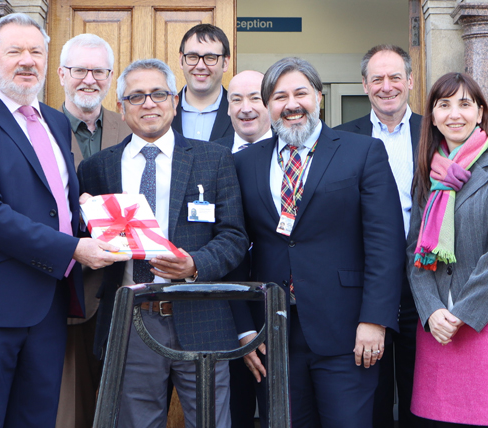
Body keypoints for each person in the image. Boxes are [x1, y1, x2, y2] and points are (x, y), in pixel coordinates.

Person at [0, 13, 123, 428]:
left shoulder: (55, 121)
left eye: (36, 51)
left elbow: (55, 204)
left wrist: (88, 216)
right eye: (14, 51)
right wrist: (73, 248)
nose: (27, 61)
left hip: (49, 306)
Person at [232, 57, 406, 428]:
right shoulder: (244, 163)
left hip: (347, 331)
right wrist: (245, 327)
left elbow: (385, 244)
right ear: (268, 106)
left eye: (301, 93)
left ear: (319, 97)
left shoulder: (363, 152)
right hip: (272, 333)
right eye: (279, 96)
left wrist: (374, 320)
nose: (291, 104)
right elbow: (235, 247)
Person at [77, 58, 248, 428]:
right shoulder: (97, 168)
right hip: (131, 319)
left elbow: (235, 236)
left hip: (201, 315)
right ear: (121, 108)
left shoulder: (213, 159)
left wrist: (195, 265)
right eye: (136, 97)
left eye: (158, 94)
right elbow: (86, 241)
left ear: (174, 101)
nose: (149, 103)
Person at [406, 72, 488, 427]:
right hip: (437, 329)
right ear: (432, 116)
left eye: (464, 104)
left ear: (480, 112)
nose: (454, 113)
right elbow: (415, 253)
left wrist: (462, 313)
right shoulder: (427, 174)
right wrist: (431, 311)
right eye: (443, 105)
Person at [334, 44, 420, 428]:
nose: (387, 86)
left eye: (395, 77)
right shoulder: (338, 140)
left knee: (424, 397)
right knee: (373, 400)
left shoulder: (436, 132)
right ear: (364, 85)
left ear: (410, 82)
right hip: (364, 289)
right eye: (378, 79)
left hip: (426, 284)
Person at [55, 32, 132, 428]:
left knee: (128, 403)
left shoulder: (130, 127)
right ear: (62, 74)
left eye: (99, 71)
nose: (89, 79)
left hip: (125, 288)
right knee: (72, 409)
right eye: (80, 70)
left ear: (110, 76)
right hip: (67, 285)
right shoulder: (42, 129)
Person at [212, 69, 272, 428]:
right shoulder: (207, 156)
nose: (246, 108)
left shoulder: (291, 154)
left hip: (277, 310)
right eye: (236, 99)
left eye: (255, 98)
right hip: (221, 313)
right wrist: (239, 326)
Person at [171, 23, 234, 141]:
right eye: (192, 57)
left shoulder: (240, 112)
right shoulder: (164, 111)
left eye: (210, 57)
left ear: (225, 63)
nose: (200, 66)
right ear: (181, 60)